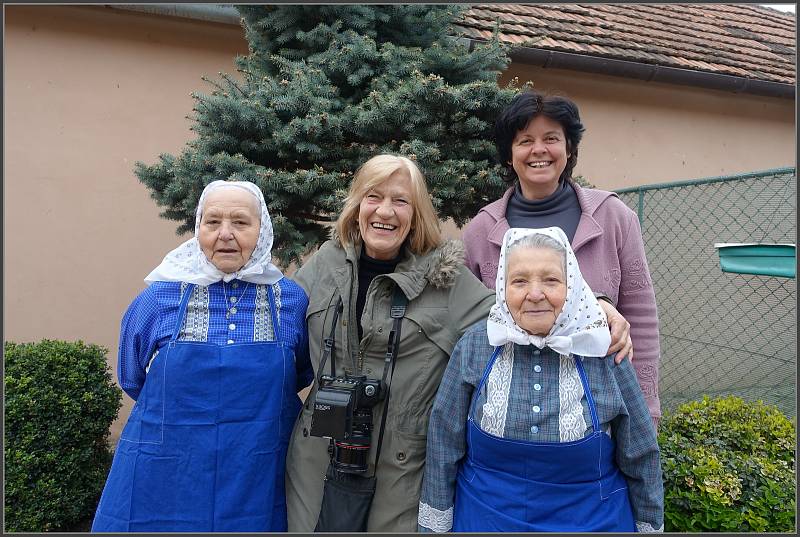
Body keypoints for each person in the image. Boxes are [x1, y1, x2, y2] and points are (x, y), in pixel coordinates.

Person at [284, 154, 498, 532]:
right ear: (357, 204)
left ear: (417, 214)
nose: (385, 211)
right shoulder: (325, 263)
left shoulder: (445, 280)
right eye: (373, 196)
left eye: (401, 201)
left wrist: (598, 309)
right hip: (314, 461)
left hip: (400, 473)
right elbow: (274, 322)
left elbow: (516, 320)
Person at [91, 180, 313, 532]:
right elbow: (131, 376)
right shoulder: (157, 298)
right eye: (212, 222)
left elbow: (301, 373)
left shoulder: (290, 301)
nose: (225, 234)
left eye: (240, 222)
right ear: (198, 229)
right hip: (165, 471)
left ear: (263, 230)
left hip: (258, 471)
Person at [418, 227, 663, 533]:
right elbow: (444, 443)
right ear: (503, 288)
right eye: (519, 281)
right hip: (485, 520)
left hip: (594, 521)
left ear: (571, 286)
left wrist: (650, 525)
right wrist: (434, 527)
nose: (535, 294)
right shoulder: (476, 345)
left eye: (550, 280)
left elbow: (641, 454)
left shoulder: (602, 347)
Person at [462, 89, 661, 425]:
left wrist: (645, 411)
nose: (539, 150)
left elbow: (640, 319)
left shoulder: (613, 217)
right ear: (509, 156)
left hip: (598, 415)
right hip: (509, 417)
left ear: (569, 149)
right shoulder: (481, 231)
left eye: (551, 138)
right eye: (525, 140)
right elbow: (471, 328)